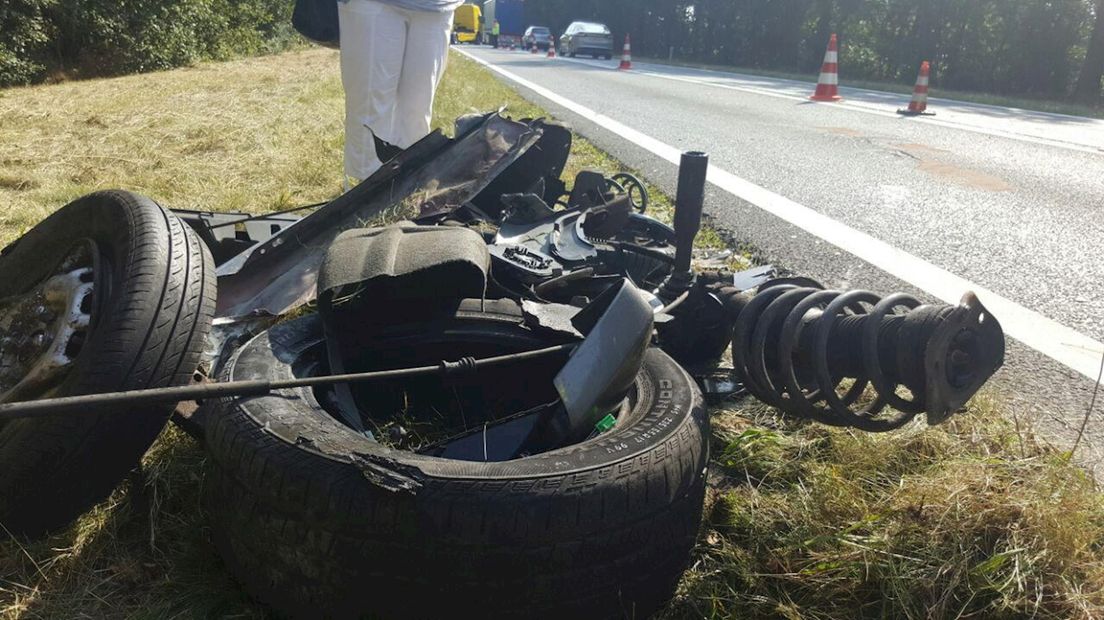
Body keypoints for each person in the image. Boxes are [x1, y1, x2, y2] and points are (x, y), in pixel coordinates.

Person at [337, 0, 463, 186]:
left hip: (437, 5)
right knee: (369, 103)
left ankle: (406, 186)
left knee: (418, 109)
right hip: (372, 4)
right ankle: (362, 192)